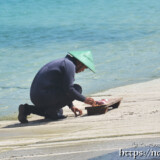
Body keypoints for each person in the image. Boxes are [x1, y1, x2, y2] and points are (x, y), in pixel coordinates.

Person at [18, 50, 96, 123]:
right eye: (84, 67)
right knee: (77, 88)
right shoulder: (69, 65)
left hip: (36, 96)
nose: (82, 70)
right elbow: (69, 89)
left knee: (59, 111)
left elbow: (63, 87)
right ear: (79, 62)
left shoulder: (63, 62)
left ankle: (27, 109)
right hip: (44, 95)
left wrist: (71, 106)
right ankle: (51, 111)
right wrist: (85, 99)